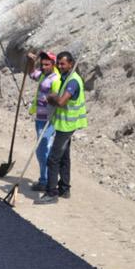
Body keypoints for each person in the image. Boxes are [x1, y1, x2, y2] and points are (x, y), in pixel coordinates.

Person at [43, 51, 87, 200]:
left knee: (53, 159)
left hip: (67, 125)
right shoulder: (66, 77)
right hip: (64, 123)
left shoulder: (73, 81)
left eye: (63, 64)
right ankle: (64, 189)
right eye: (59, 63)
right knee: (64, 158)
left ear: (71, 63)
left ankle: (51, 193)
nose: (60, 66)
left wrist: (51, 99)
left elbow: (62, 102)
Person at [27, 51, 61, 192]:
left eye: (47, 64)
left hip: (49, 120)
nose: (44, 66)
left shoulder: (56, 79)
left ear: (53, 64)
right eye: (42, 64)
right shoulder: (42, 74)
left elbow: (57, 98)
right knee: (41, 150)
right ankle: (45, 179)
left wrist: (48, 98)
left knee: (43, 150)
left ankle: (46, 181)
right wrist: (30, 61)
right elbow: (31, 73)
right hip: (39, 118)